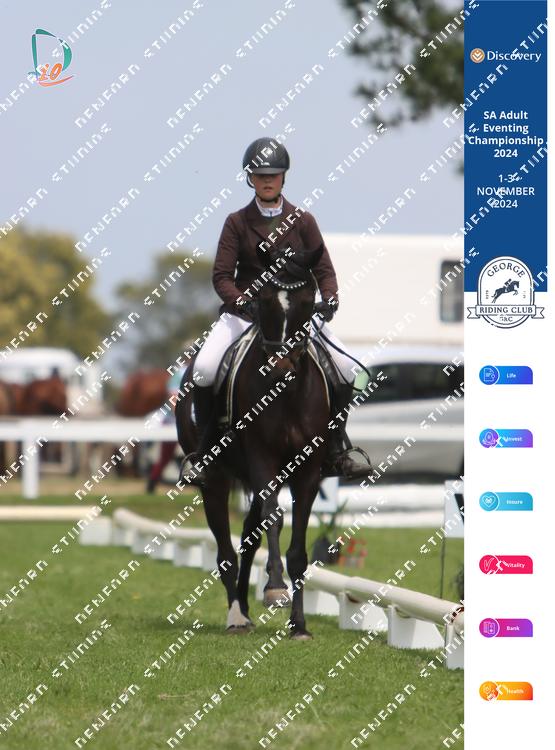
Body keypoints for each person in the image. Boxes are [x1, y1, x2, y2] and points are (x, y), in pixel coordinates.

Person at [183, 137, 372, 485]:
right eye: (260, 175)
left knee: (348, 369)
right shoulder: (237, 222)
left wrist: (330, 297)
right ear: (250, 179)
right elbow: (222, 276)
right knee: (205, 369)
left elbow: (324, 270)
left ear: (284, 176)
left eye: (273, 174)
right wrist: (242, 301)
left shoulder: (303, 221)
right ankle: (205, 454)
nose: (267, 180)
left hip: (295, 317)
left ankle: (337, 447)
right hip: (246, 315)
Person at [145, 366, 185, 493]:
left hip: (187, 419)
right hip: (173, 420)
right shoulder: (179, 374)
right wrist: (180, 417)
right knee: (166, 455)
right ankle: (152, 482)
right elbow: (173, 398)